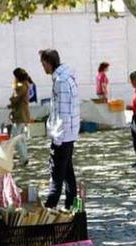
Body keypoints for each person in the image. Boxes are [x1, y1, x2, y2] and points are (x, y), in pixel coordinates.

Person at [40, 49, 80, 209]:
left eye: (43, 64)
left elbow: (64, 113)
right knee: (68, 174)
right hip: (67, 135)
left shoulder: (61, 81)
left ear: (49, 63)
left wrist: (57, 138)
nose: (43, 68)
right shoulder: (65, 77)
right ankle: (71, 206)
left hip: (63, 136)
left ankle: (48, 210)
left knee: (56, 177)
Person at [9, 68, 32, 167]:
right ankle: (24, 158)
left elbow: (15, 98)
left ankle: (24, 158)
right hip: (21, 114)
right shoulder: (25, 84)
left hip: (20, 115)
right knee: (21, 137)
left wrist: (12, 96)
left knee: (15, 138)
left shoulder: (22, 86)